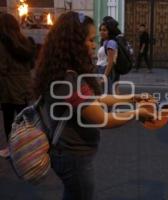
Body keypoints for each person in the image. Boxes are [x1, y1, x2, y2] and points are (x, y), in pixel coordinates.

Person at [34, 11, 154, 200]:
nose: (93, 45)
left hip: (69, 154)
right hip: (73, 157)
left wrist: (133, 98)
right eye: (89, 40)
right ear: (73, 44)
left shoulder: (67, 72)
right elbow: (102, 119)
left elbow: (96, 100)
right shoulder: (68, 80)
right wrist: (137, 113)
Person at [0, 13, 35, 158]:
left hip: (9, 87)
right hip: (25, 84)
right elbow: (31, 64)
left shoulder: (2, 44)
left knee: (9, 119)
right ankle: (27, 147)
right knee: (25, 118)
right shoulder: (25, 41)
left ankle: (11, 148)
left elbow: (2, 67)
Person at [97, 20, 120, 94]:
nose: (101, 32)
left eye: (104, 30)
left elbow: (110, 62)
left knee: (107, 93)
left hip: (105, 70)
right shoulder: (104, 42)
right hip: (100, 69)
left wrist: (104, 76)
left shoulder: (111, 43)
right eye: (100, 30)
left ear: (109, 31)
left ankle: (110, 105)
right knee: (102, 92)